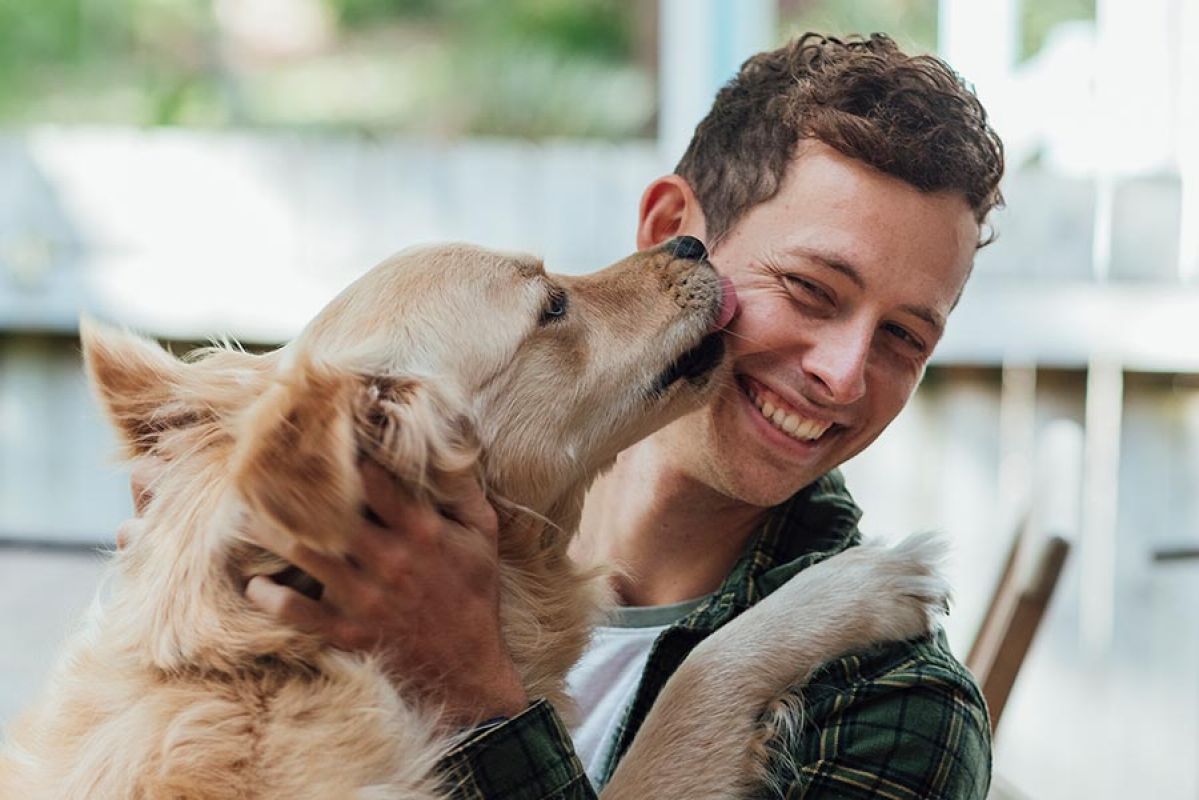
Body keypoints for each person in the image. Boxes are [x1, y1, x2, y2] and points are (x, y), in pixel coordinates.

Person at [130, 33, 1003, 799]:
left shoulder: (892, 707)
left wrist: (474, 690)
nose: (842, 376)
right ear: (672, 226)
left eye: (903, 337)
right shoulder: (285, 586)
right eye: (810, 289)